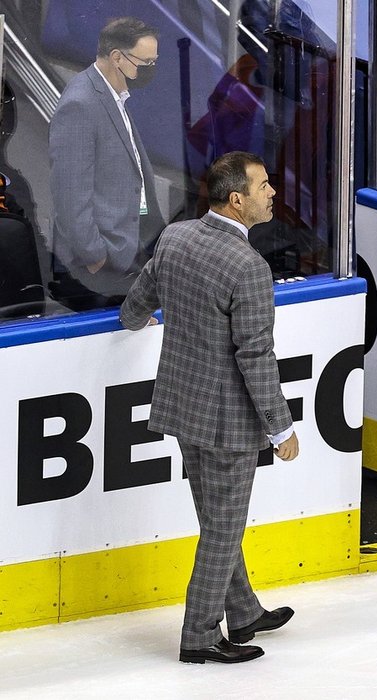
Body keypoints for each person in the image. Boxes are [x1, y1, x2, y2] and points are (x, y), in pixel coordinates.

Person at [120, 151, 299, 663]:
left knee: (219, 521)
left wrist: (134, 321)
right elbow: (256, 357)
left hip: (183, 410)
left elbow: (141, 295)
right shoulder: (249, 266)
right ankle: (199, 636)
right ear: (237, 199)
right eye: (264, 186)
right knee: (223, 528)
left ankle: (243, 614)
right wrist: (280, 428)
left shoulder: (175, 237)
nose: (273, 193)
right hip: (227, 424)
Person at [48, 16, 166, 311]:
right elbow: (70, 194)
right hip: (101, 267)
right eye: (146, 62)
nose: (151, 69)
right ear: (117, 57)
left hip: (127, 248)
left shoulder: (115, 96)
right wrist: (95, 256)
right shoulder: (80, 104)